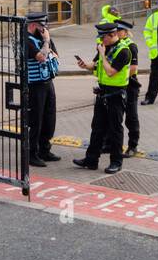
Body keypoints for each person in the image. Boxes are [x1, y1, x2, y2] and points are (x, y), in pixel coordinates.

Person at [72, 21, 131, 173]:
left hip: (116, 95)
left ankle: (116, 162)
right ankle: (91, 160)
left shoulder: (124, 51)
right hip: (102, 93)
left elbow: (111, 71)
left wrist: (103, 54)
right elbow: (95, 63)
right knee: (97, 128)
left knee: (115, 130)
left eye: (103, 37)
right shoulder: (104, 47)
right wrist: (85, 65)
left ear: (113, 35)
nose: (100, 40)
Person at [24, 11, 60, 168]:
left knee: (49, 118)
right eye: (41, 26)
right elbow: (42, 57)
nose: (44, 29)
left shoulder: (42, 38)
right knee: (36, 120)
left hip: (47, 82)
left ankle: (45, 149)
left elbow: (56, 55)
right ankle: (32, 153)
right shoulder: (26, 40)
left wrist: (47, 43)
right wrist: (46, 42)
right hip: (35, 85)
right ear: (33, 25)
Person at [113, 19, 142, 156]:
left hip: (129, 85)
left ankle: (132, 146)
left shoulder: (131, 46)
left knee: (131, 117)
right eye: (116, 31)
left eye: (119, 31)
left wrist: (118, 76)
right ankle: (109, 144)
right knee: (114, 116)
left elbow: (133, 68)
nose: (117, 33)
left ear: (125, 32)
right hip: (118, 85)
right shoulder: (115, 45)